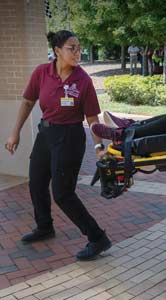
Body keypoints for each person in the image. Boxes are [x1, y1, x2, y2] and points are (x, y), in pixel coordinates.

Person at [5, 30, 111, 261]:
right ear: (57, 51)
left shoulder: (82, 80)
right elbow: (27, 101)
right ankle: (44, 226)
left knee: (63, 194)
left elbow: (93, 119)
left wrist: (99, 148)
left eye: (79, 47)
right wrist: (15, 133)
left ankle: (97, 237)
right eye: (71, 48)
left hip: (70, 138)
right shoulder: (42, 73)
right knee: (37, 182)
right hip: (46, 134)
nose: (77, 52)